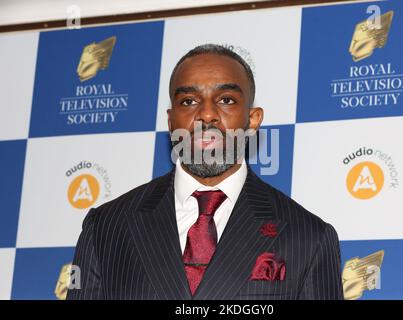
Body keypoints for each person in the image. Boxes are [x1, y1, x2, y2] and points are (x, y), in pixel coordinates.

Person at [67, 44, 344, 300]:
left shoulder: (308, 237)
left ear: (253, 119)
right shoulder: (106, 227)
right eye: (189, 101)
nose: (207, 114)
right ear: (171, 119)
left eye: (226, 99)